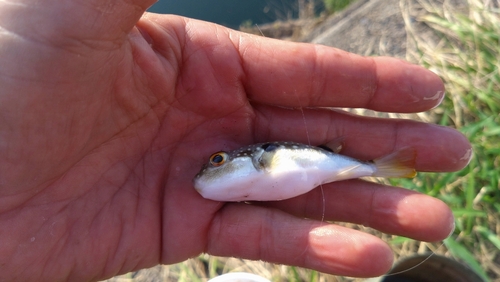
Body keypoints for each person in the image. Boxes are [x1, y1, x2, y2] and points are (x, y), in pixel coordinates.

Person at [0, 0, 472, 281]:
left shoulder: (262, 162)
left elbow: (278, 164)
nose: (211, 168)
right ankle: (385, 168)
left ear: (243, 161)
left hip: (308, 165)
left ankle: (383, 167)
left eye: (219, 159)